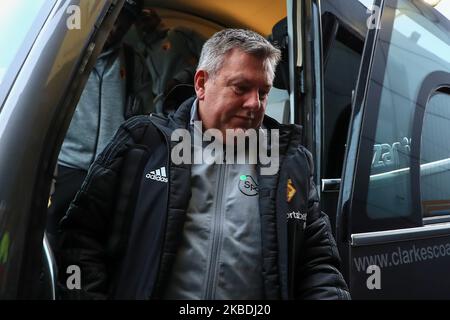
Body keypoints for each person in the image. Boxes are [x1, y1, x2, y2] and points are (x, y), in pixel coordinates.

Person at [57, 29, 350, 300]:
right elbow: (81, 238)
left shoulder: (291, 164)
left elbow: (316, 261)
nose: (255, 104)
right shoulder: (143, 144)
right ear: (201, 84)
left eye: (263, 93)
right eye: (241, 88)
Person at [46, 0, 152, 250]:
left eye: (124, 21)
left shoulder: (132, 61)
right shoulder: (67, 57)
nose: (115, 27)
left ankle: (77, 287)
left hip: (109, 172)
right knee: (52, 239)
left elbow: (147, 115)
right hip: (65, 169)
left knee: (92, 244)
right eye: (112, 18)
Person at [133, 8, 205, 114]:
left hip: (191, 100)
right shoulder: (142, 56)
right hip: (164, 113)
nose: (143, 23)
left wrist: (182, 78)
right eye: (138, 21)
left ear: (157, 19)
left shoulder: (177, 35)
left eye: (146, 18)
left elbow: (212, 59)